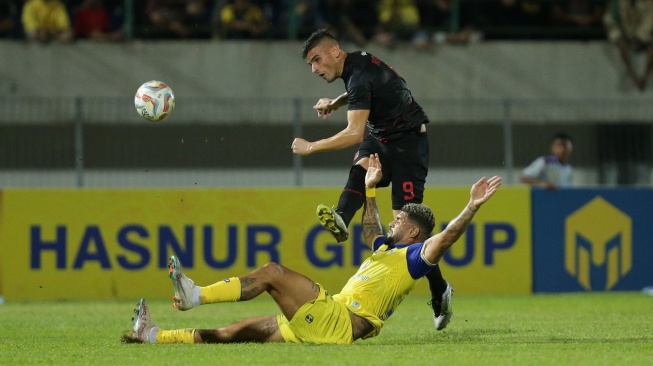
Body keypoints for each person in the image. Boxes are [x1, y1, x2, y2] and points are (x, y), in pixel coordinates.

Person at [122, 154, 502, 345]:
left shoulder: (416, 257)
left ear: (415, 231)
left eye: (400, 220)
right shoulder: (387, 250)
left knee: (272, 272)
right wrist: (370, 189)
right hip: (332, 320)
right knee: (239, 333)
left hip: (341, 321)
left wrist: (472, 206)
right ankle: (153, 336)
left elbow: (448, 235)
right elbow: (370, 228)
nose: (392, 221)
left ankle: (195, 294)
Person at [290, 28, 453, 331]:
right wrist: (336, 103)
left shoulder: (358, 73)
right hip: (382, 138)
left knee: (406, 234)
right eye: (310, 64)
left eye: (317, 59)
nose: (314, 69)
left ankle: (439, 289)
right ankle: (341, 217)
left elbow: (353, 133)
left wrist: (311, 147)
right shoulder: (357, 65)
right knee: (362, 166)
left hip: (408, 146)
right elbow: (368, 90)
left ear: (335, 51)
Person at [603, 0, 653, 91]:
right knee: (620, 46)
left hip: (642, 32)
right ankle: (633, 76)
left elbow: (649, 20)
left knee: (650, 50)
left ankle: (644, 77)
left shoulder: (648, 4)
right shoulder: (618, 4)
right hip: (626, 31)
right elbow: (611, 20)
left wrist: (642, 36)